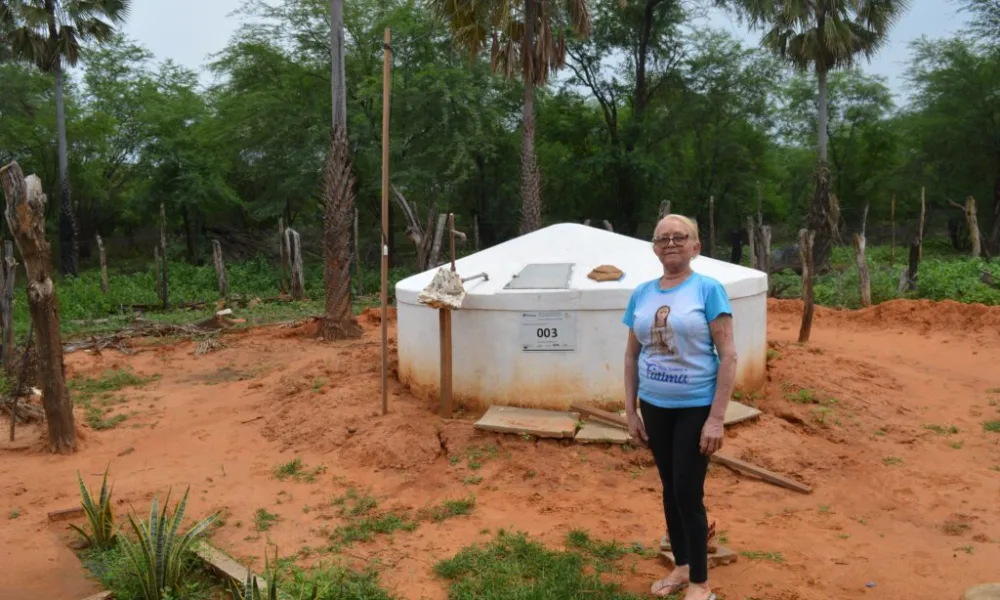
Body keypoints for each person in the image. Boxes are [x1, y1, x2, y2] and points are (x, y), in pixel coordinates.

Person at [622, 213, 738, 600]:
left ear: (695, 246)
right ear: (654, 249)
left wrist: (716, 419)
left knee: (688, 491)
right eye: (663, 238)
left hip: (695, 406)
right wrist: (631, 411)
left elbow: (729, 355)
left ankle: (701, 584)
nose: (671, 243)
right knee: (670, 489)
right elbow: (631, 355)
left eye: (679, 237)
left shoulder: (708, 290)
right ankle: (683, 566)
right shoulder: (641, 293)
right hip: (655, 406)